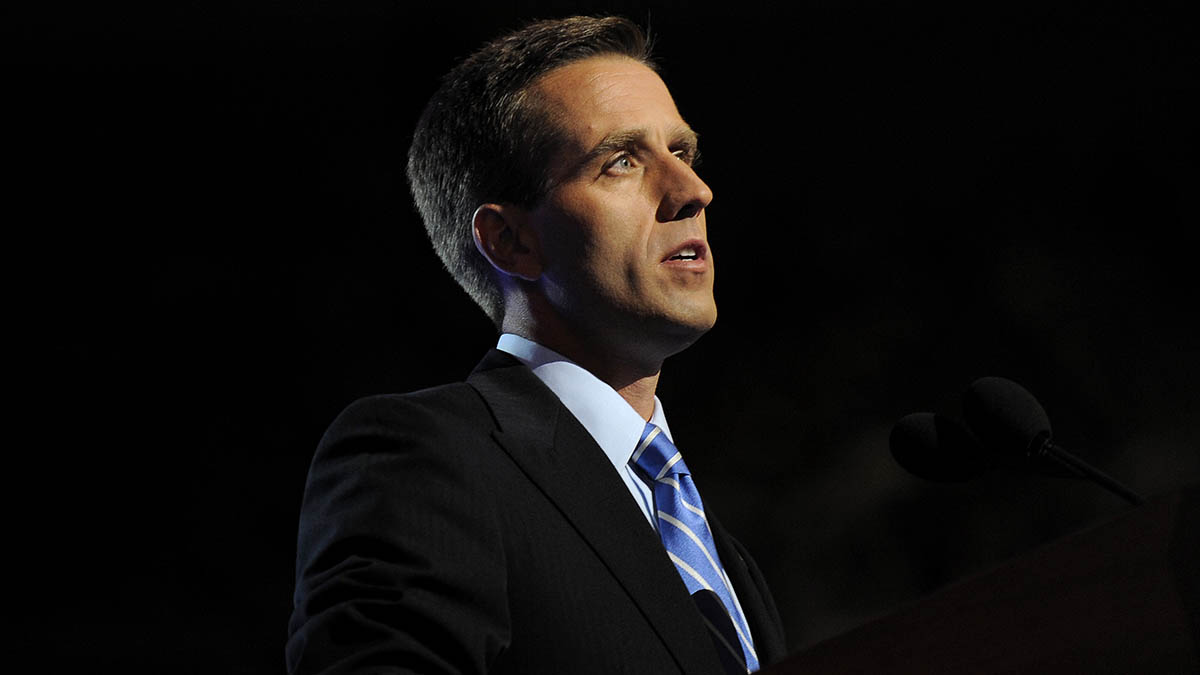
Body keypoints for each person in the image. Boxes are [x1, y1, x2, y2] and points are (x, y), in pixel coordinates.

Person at [287, 15, 786, 674]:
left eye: (683, 152)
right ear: (510, 241)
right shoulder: (423, 459)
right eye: (622, 161)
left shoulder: (724, 554)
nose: (694, 192)